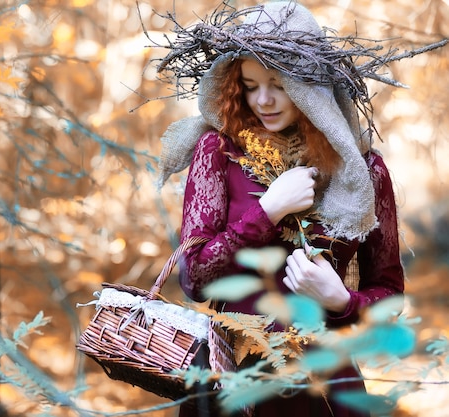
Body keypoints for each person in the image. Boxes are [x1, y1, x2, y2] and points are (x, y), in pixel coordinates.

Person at [152, 1, 424, 416]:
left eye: (279, 84)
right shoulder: (219, 151)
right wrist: (268, 212)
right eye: (250, 84)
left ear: (309, 85)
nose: (264, 100)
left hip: (325, 386)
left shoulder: (361, 170)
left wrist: (341, 301)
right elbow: (195, 277)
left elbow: (388, 296)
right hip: (234, 378)